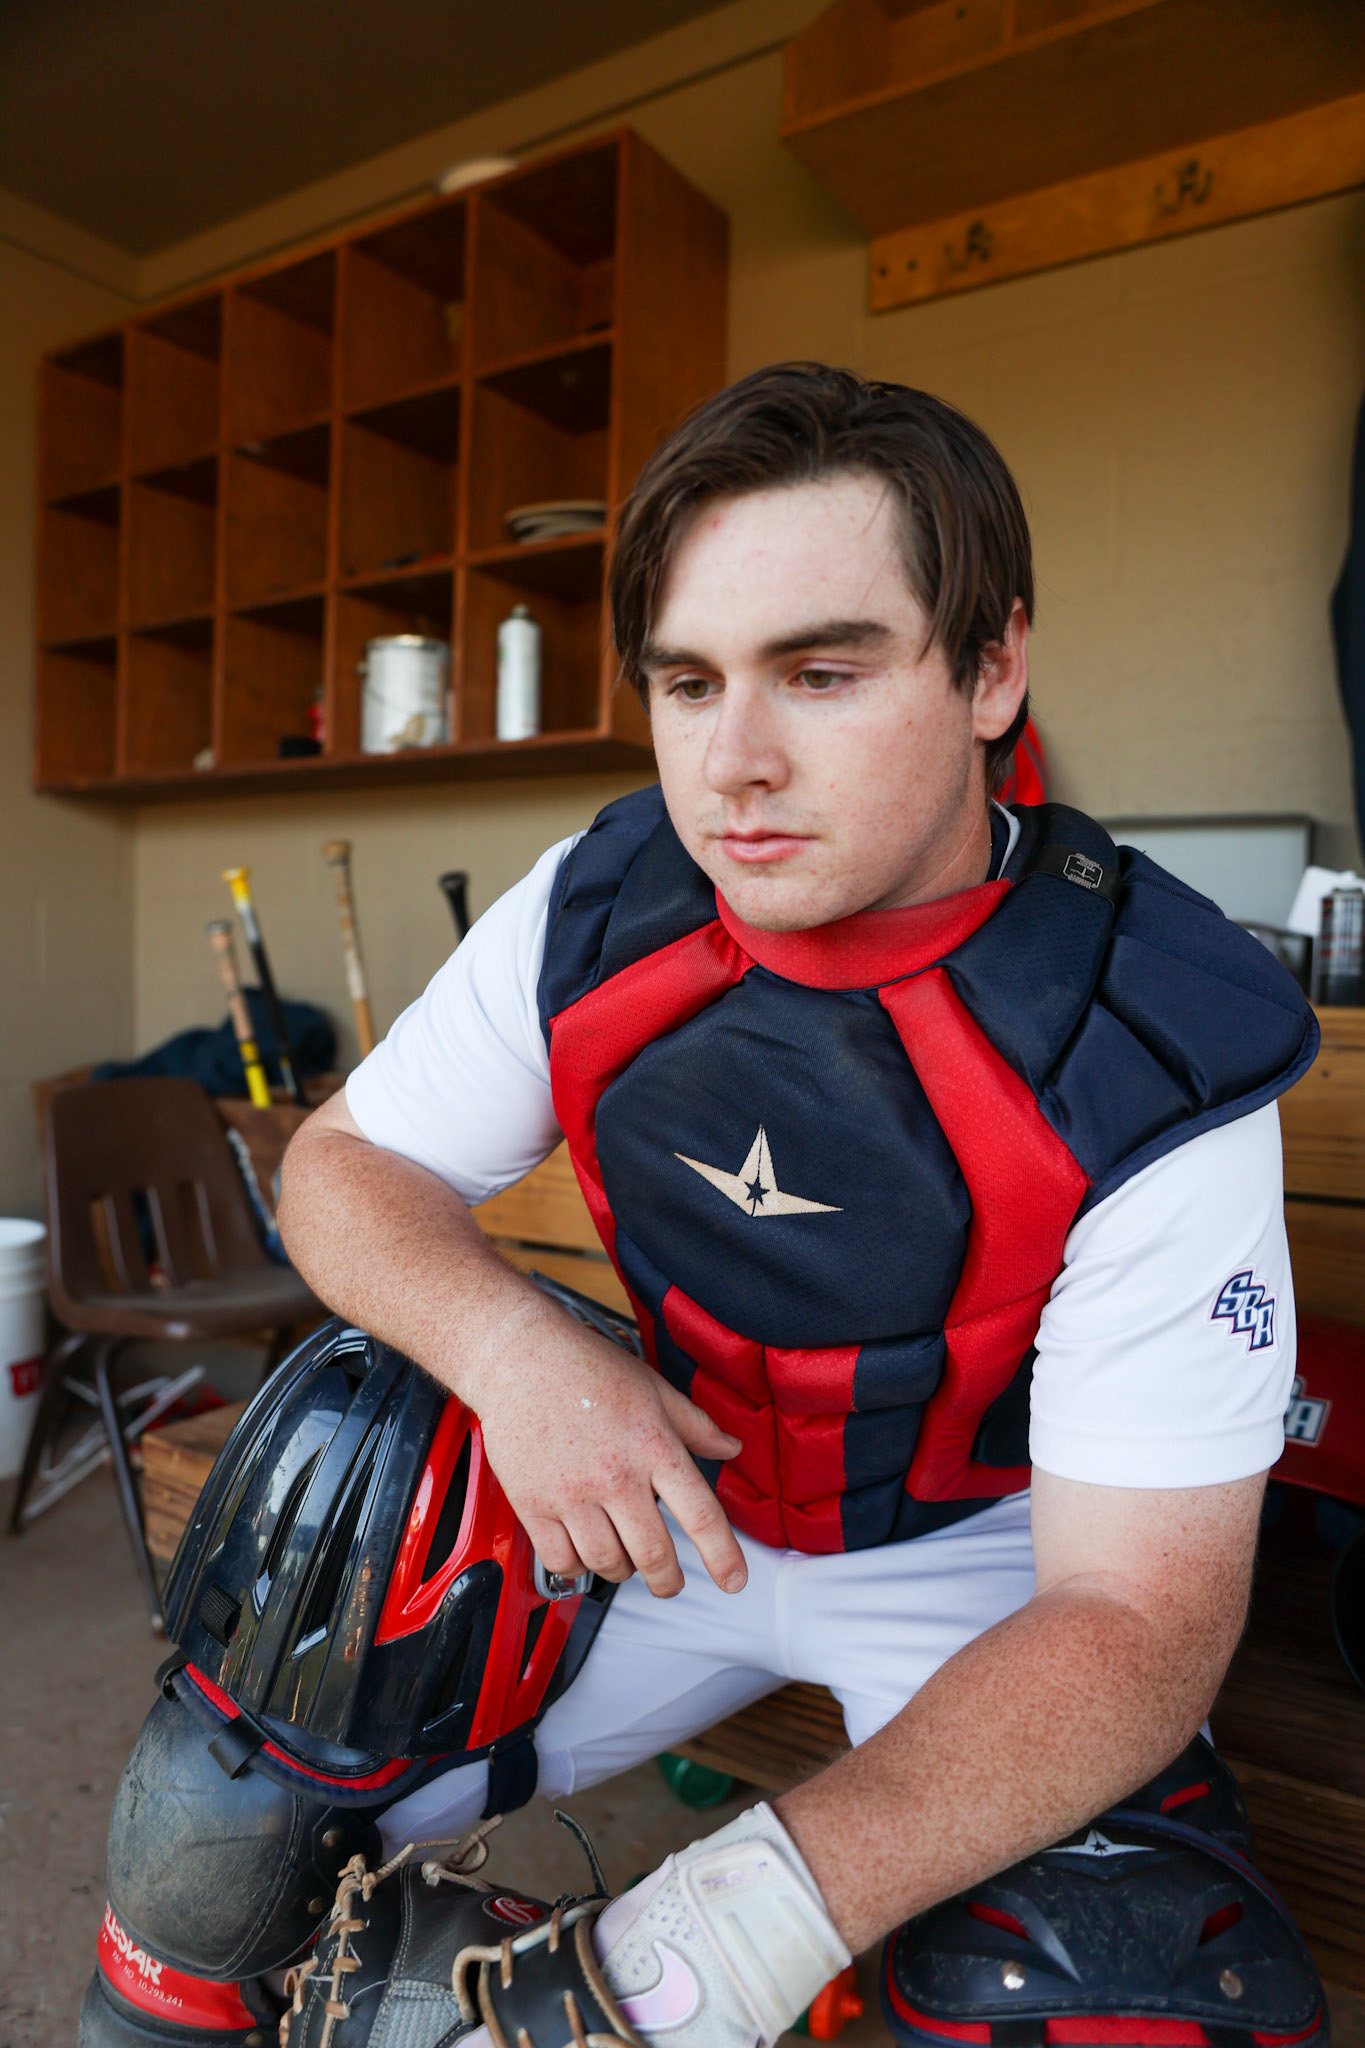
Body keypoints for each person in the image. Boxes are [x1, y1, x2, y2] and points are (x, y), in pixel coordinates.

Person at [276, 363, 1320, 2047]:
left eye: (821, 673)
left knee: (1112, 2002)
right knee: (248, 1792)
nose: (734, 764)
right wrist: (519, 1355)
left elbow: (1138, 1611)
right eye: (687, 683)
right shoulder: (606, 896)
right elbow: (341, 1168)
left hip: (993, 1568)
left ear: (993, 669)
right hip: (669, 1500)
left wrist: (724, 1918)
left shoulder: (1150, 1024)